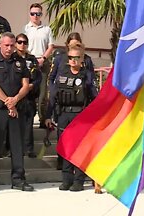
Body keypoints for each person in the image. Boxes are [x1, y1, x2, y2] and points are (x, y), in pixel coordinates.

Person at [0, 32, 33, 193]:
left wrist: (15, 100)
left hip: (17, 109)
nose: (9, 48)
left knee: (17, 146)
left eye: (12, 45)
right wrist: (8, 102)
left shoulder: (21, 62)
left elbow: (26, 85)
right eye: (6, 45)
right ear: (0, 44)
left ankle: (18, 179)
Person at [45, 42, 97, 192]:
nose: (73, 60)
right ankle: (66, 179)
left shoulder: (87, 75)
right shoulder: (62, 74)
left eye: (77, 58)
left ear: (82, 59)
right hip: (64, 115)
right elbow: (53, 96)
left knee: (79, 149)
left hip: (81, 115)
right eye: (71, 57)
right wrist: (48, 116)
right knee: (66, 148)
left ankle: (78, 180)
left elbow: (94, 96)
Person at [24, 3, 54, 128]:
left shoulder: (47, 29)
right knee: (28, 92)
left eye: (38, 14)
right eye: (33, 13)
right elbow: (23, 46)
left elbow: (51, 46)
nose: (35, 16)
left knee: (42, 94)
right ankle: (27, 120)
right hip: (29, 62)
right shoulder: (26, 28)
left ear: (41, 14)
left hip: (42, 62)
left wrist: (43, 58)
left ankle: (43, 120)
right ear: (30, 15)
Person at [13, 33, 42, 158]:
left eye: (25, 42)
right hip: (16, 96)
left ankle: (29, 149)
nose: (22, 44)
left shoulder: (32, 59)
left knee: (28, 124)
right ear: (15, 43)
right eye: (19, 42)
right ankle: (13, 149)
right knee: (15, 125)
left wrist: (31, 86)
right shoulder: (12, 58)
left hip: (29, 96)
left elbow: (38, 77)